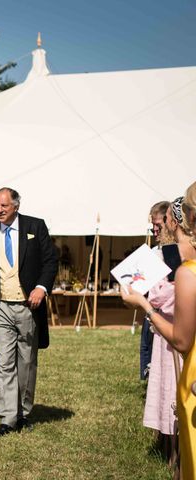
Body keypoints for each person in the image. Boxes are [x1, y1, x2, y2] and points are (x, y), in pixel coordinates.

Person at [122, 183, 196, 478]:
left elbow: (180, 338)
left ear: (181, 218)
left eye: (163, 221)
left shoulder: (181, 266)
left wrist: (144, 304)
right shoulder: (161, 254)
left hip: (181, 342)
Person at [0, 187, 58, 436]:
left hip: (27, 306)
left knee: (27, 362)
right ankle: (7, 418)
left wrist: (41, 288)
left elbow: (50, 261)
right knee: (4, 363)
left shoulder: (36, 227)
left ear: (16, 206)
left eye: (4, 206)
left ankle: (23, 412)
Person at [142, 197, 195, 451]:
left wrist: (146, 305)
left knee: (176, 387)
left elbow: (161, 296)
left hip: (176, 331)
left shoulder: (185, 268)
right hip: (170, 328)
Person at [141, 201, 172, 381]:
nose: (154, 230)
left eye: (158, 225)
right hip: (150, 312)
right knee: (147, 346)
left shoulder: (176, 254)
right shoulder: (153, 252)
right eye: (152, 225)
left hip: (167, 315)